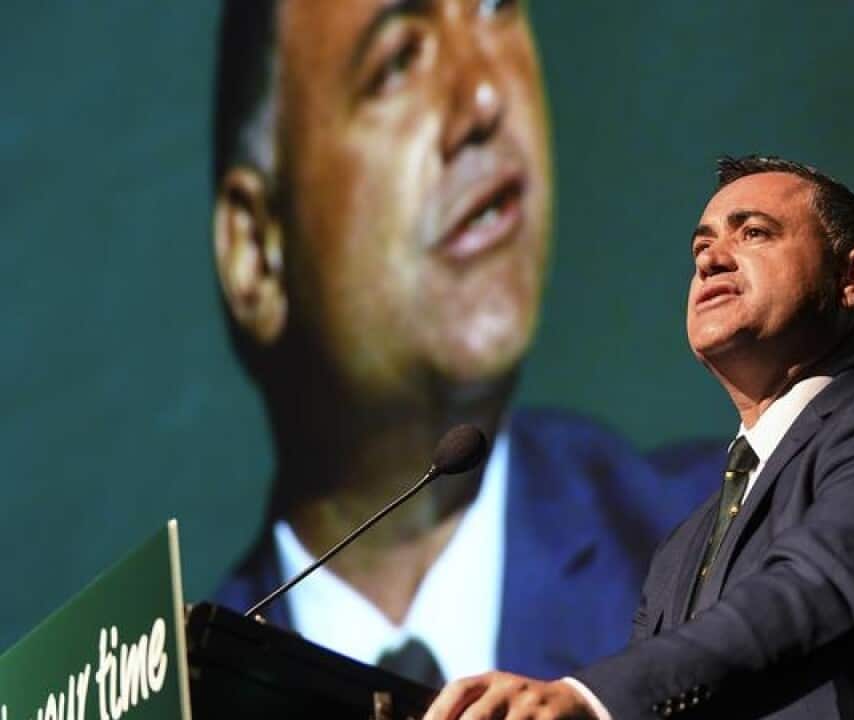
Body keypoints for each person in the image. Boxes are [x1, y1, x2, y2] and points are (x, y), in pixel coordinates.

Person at [208, 0, 720, 686]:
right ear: (258, 255)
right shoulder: (187, 692)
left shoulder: (742, 553)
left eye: (495, 9)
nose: (483, 96)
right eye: (397, 62)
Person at [424, 156, 854, 719]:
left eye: (755, 233)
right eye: (701, 248)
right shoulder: (682, 546)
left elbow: (821, 590)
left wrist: (591, 701)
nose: (711, 261)